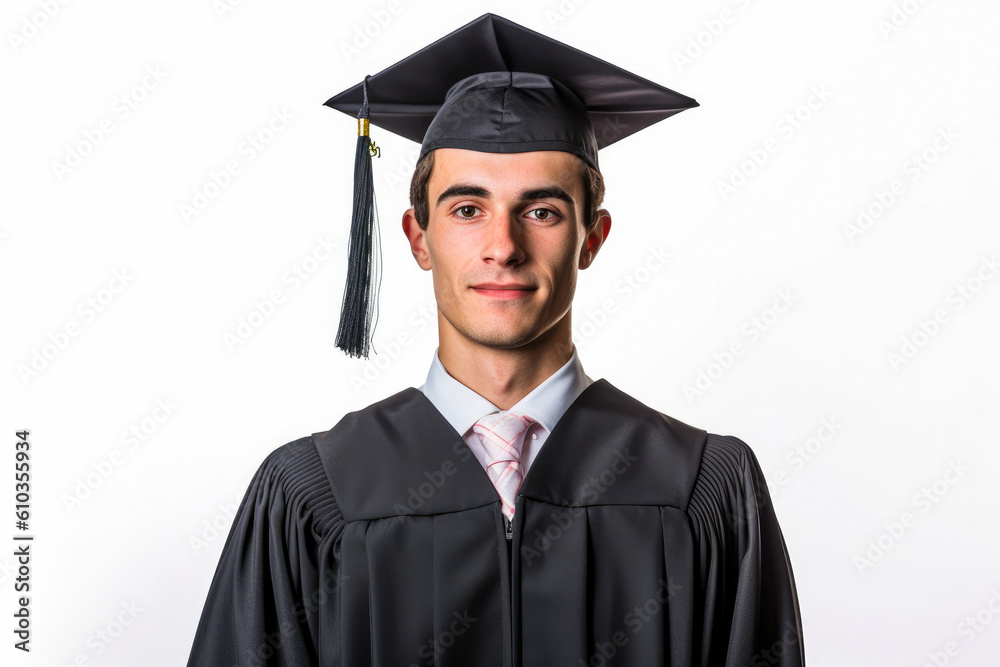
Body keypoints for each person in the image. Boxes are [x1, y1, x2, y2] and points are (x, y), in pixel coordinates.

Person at [186, 13, 805, 667]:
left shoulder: (701, 489)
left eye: (541, 211)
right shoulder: (314, 496)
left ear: (592, 238)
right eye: (467, 209)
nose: (503, 247)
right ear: (418, 238)